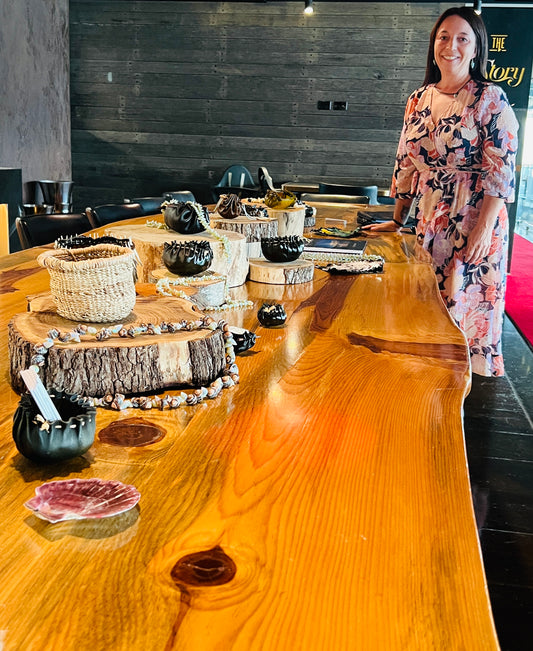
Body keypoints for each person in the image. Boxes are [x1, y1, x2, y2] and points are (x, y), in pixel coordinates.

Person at [364, 7, 519, 377]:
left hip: (474, 215)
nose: (451, 46)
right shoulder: (419, 98)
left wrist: (483, 229)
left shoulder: (489, 98)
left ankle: (456, 394)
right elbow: (406, 162)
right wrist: (396, 219)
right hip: (431, 217)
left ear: (477, 48)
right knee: (428, 301)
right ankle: (427, 382)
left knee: (463, 304)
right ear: (434, 44)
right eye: (444, 37)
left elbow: (501, 169)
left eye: (462, 38)